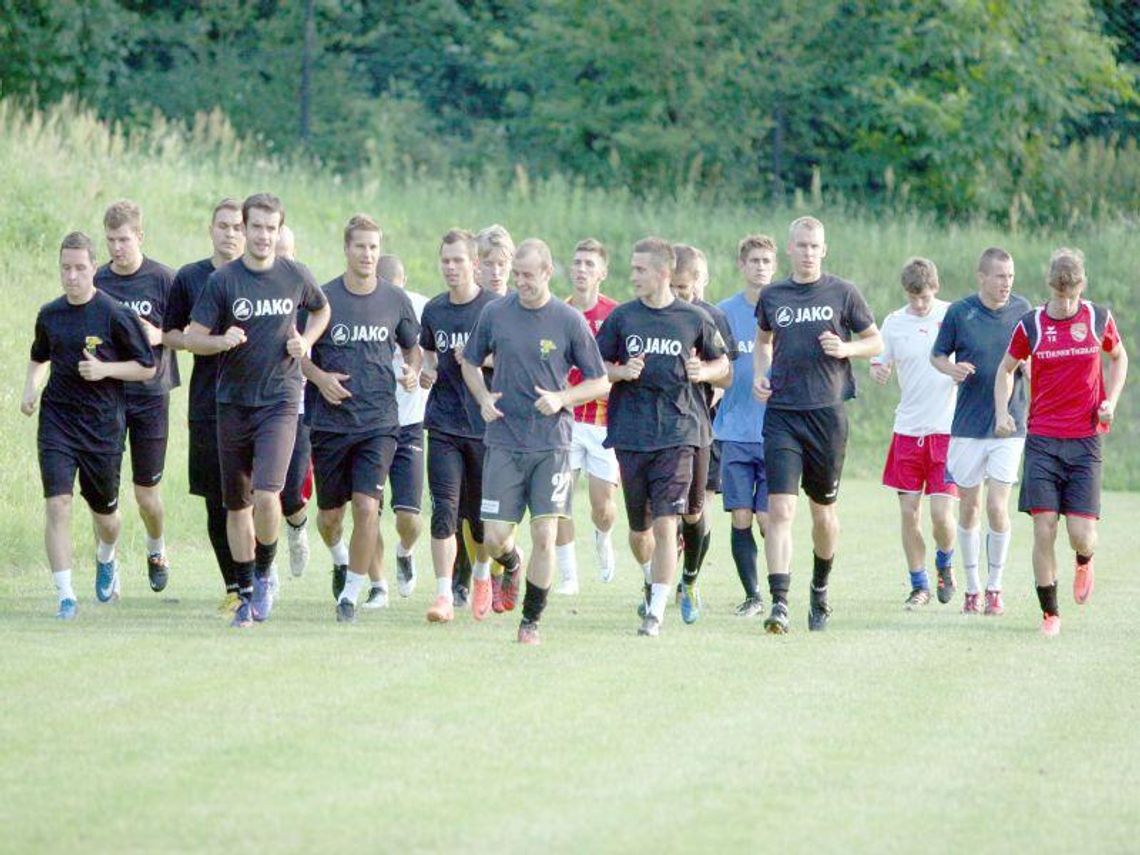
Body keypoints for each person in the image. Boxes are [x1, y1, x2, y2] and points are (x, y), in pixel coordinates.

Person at [184, 193, 331, 628]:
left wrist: (306, 341)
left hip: (280, 402)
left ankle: (265, 572)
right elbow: (192, 337)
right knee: (237, 507)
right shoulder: (224, 281)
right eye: (257, 227)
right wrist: (220, 341)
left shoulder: (294, 275)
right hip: (231, 404)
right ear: (245, 229)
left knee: (268, 495)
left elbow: (321, 309)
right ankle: (245, 595)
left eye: (271, 228)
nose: (264, 236)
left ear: (279, 231)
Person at [462, 238, 609, 644]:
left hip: (552, 445)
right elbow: (469, 362)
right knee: (494, 537)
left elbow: (600, 381)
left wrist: (563, 398)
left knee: (545, 534)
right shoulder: (495, 313)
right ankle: (512, 563)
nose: (521, 282)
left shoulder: (568, 320)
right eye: (517, 275)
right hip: (504, 440)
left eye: (528, 275)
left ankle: (530, 621)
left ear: (547, 273)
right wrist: (483, 397)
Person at [752, 216, 882, 633]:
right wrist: (761, 374)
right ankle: (780, 603)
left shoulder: (843, 292)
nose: (808, 252)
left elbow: (875, 341)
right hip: (782, 414)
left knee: (823, 513)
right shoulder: (773, 295)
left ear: (824, 250)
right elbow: (763, 342)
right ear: (790, 248)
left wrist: (845, 348)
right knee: (780, 508)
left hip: (827, 415)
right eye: (802, 245)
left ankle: (820, 589)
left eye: (815, 246)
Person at [597, 237, 729, 637]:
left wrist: (704, 372)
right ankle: (651, 581)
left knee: (669, 521)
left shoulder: (694, 319)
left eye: (640, 269)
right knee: (641, 531)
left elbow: (724, 368)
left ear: (662, 273)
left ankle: (656, 611)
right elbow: (597, 366)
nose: (633, 276)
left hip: (680, 430)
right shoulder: (622, 318)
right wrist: (621, 372)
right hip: (632, 433)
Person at [22, 232, 156, 618]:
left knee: (107, 519)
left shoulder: (115, 314)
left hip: (102, 427)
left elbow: (146, 367)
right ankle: (65, 596)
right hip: (57, 422)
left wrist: (105, 370)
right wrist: (30, 388)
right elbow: (38, 357)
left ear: (94, 268)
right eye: (66, 268)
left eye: (80, 268)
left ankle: (106, 556)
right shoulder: (50, 314)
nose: (72, 276)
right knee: (58, 504)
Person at [995, 248, 1127, 636]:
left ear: (1081, 287)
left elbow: (1119, 358)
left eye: (1072, 296)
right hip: (1042, 440)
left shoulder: (1098, 318)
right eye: (1060, 295)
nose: (1066, 304)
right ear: (1050, 287)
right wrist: (1002, 411)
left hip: (1085, 441)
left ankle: (1084, 560)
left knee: (1081, 536)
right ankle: (1050, 613)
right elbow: (1006, 370)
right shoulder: (1031, 325)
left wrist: (1110, 401)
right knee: (1044, 527)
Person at [302, 216, 421, 623]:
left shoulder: (395, 300)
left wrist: (411, 371)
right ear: (346, 249)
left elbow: (412, 348)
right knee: (330, 518)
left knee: (367, 507)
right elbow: (297, 353)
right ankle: (340, 558)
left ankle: (351, 595)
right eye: (360, 247)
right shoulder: (323, 299)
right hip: (330, 424)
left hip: (379, 423)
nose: (368, 254)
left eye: (373, 247)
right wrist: (319, 378)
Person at [418, 229, 516, 623]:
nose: (451, 267)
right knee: (444, 510)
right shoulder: (434, 310)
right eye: (445, 260)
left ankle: (481, 575)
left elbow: (515, 359)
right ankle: (443, 594)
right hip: (443, 424)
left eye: (458, 260)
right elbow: (428, 356)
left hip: (485, 427)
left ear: (474, 264)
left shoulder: (495, 309)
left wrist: (477, 359)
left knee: (478, 521)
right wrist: (425, 372)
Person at [931, 247, 1031, 616]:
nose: (1007, 283)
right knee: (970, 506)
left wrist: (1031, 372)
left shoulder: (1023, 311)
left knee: (997, 505)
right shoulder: (961, 312)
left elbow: (1032, 356)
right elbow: (937, 355)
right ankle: (972, 589)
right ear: (982, 277)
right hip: (968, 425)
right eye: (1000, 276)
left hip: (1010, 425)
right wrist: (951, 369)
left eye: (1011, 276)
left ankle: (995, 588)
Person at [164, 198, 246, 612]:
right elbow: (170, 334)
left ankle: (259, 574)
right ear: (210, 230)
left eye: (237, 227)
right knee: (218, 499)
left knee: (256, 496)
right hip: (207, 402)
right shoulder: (190, 277)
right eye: (223, 226)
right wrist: (207, 342)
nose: (230, 233)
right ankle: (234, 586)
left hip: (257, 402)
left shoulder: (259, 278)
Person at [94, 200, 178, 593]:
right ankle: (106, 560)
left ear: (140, 236)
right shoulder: (98, 280)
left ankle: (156, 549)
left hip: (150, 397)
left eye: (124, 240)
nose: (117, 247)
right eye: (110, 240)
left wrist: (160, 335)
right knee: (103, 492)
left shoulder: (165, 280)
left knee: (146, 496)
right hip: (106, 397)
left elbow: (189, 333)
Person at [869, 258, 959, 609]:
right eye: (913, 297)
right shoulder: (894, 322)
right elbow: (879, 359)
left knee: (941, 516)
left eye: (925, 297)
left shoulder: (952, 316)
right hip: (907, 431)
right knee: (909, 513)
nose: (920, 304)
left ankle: (945, 562)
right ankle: (919, 584)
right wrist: (879, 370)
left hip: (945, 432)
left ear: (936, 288)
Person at [356, 253, 429, 608]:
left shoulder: (422, 308)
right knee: (367, 509)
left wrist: (424, 373)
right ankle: (378, 586)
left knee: (409, 517)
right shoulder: (361, 307)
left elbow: (433, 353)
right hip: (370, 423)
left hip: (410, 423)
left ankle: (405, 551)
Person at [671, 244, 735, 624]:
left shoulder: (713, 318)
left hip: (703, 428)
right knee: (668, 516)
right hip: (665, 429)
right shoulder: (656, 315)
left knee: (698, 510)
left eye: (683, 287)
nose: (678, 294)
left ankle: (688, 580)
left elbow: (726, 373)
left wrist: (708, 396)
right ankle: (659, 580)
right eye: (672, 286)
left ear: (698, 281)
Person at [715, 234, 776, 617]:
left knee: (769, 519)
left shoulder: (785, 310)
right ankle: (752, 595)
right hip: (734, 430)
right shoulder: (723, 313)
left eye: (766, 261)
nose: (760, 267)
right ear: (742, 265)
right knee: (740, 515)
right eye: (754, 260)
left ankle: (778, 591)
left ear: (774, 266)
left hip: (776, 432)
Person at [554, 238, 619, 594]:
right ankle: (569, 577)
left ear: (602, 273)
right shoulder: (557, 312)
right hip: (565, 421)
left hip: (604, 423)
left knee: (602, 507)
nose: (581, 269)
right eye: (577, 263)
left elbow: (622, 368)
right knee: (558, 500)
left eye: (589, 264)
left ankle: (603, 535)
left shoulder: (616, 315)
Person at [275, 224, 313, 582]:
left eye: (285, 255)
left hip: (299, 409)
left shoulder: (309, 300)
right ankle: (263, 567)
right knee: (258, 492)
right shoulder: (250, 296)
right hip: (256, 406)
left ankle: (297, 527)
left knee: (289, 496)